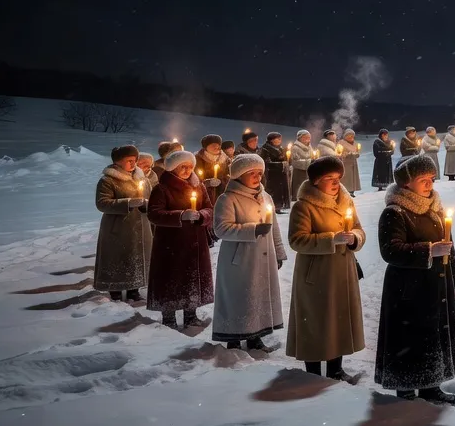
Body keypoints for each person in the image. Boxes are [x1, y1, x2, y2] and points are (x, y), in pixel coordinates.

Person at [375, 154, 455, 406]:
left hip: (436, 285)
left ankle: (430, 386)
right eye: (423, 179)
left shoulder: (435, 209)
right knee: (408, 337)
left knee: (431, 336)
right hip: (407, 290)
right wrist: (428, 250)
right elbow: (390, 251)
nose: (429, 184)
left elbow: (449, 246)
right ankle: (405, 389)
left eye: (432, 179)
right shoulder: (395, 212)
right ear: (406, 182)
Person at [287, 153, 366, 383]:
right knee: (315, 321)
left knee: (338, 320)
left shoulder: (346, 201)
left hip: (342, 272)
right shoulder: (304, 206)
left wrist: (354, 238)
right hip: (316, 275)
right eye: (329, 178)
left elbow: (359, 228)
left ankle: (335, 370)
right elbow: (297, 240)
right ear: (315, 181)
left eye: (338, 177)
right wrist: (332, 239)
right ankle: (313, 373)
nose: (335, 182)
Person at [212, 154, 287, 352]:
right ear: (239, 175)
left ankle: (255, 336)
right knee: (238, 297)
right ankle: (233, 338)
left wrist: (279, 252)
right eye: (251, 173)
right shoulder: (228, 199)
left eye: (259, 173)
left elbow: (274, 228)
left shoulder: (266, 197)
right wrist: (252, 230)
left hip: (263, 258)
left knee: (258, 296)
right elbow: (221, 229)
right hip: (238, 260)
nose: (257, 177)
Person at [146, 150, 214, 329]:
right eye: (182, 166)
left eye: (190, 167)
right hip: (171, 243)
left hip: (195, 241)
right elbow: (154, 214)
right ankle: (168, 317)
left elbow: (209, 208)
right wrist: (181, 215)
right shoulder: (162, 188)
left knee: (192, 277)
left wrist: (202, 215)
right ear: (172, 168)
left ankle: (191, 314)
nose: (187, 170)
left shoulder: (199, 186)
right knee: (171, 278)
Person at [95, 145, 152, 302]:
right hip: (118, 227)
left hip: (140, 226)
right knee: (118, 257)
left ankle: (135, 288)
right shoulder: (108, 180)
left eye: (135, 160)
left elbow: (151, 198)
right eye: (129, 160)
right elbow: (102, 203)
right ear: (118, 162)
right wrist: (128, 203)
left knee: (137, 256)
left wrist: (147, 205)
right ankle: (115, 288)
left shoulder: (142, 179)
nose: (133, 164)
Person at [259, 133, 291, 212]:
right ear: (272, 140)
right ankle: (273, 207)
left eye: (280, 139)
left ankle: (279, 207)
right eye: (278, 139)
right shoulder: (265, 149)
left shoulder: (280, 148)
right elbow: (266, 163)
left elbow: (285, 159)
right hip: (271, 175)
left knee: (280, 191)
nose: (280, 140)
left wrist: (288, 160)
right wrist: (281, 164)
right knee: (274, 191)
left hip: (280, 174)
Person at [196, 134, 230, 202]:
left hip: (223, 192)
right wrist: (207, 182)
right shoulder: (199, 159)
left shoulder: (225, 159)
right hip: (205, 194)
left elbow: (229, 173)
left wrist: (225, 181)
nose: (216, 147)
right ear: (206, 147)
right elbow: (196, 177)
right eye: (213, 145)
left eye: (218, 145)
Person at [290, 130, 315, 198]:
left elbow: (312, 156)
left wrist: (313, 161)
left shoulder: (310, 147)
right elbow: (295, 162)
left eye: (309, 137)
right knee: (299, 185)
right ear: (300, 138)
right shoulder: (295, 147)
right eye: (305, 137)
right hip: (299, 171)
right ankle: (297, 197)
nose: (307, 139)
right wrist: (309, 162)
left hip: (308, 170)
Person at [341, 130, 362, 195]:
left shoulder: (355, 143)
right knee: (347, 178)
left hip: (353, 163)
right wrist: (347, 154)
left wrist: (357, 154)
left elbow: (357, 153)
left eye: (352, 135)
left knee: (353, 178)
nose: (351, 137)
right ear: (345, 136)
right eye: (349, 135)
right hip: (345, 163)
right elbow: (339, 153)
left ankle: (352, 191)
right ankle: (346, 191)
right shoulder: (341, 143)